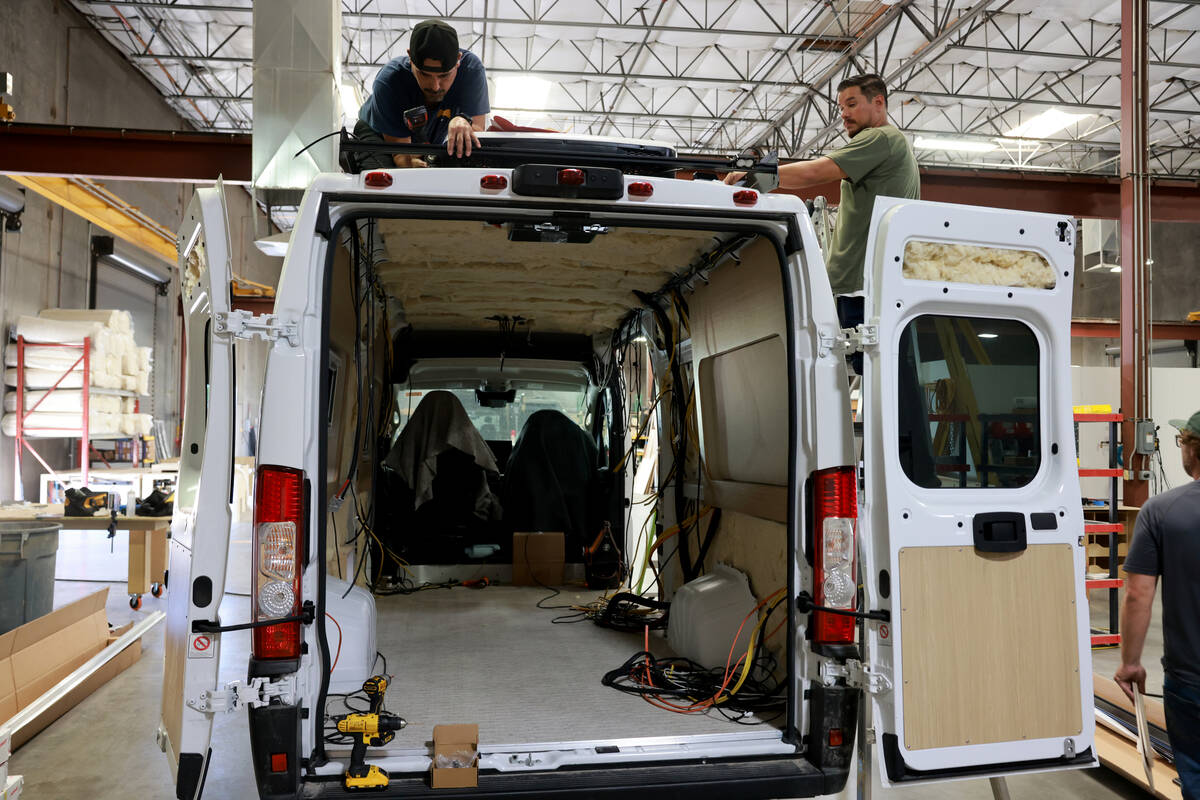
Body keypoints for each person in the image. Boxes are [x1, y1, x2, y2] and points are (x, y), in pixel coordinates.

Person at [725, 74, 920, 373]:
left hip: (863, 285)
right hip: (870, 283)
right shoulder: (896, 145)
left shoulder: (880, 138)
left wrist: (757, 177)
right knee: (878, 375)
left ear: (878, 102)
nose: (843, 114)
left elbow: (817, 172)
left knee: (870, 372)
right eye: (841, 107)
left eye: (852, 104)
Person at [1115, 410, 1200, 799]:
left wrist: (1131, 663)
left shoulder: (1162, 511)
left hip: (1191, 680)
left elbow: (1137, 595)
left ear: (1192, 450)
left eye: (1181, 442)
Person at [354, 19, 489, 168]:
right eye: (424, 75)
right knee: (382, 178)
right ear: (410, 57)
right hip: (379, 136)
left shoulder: (471, 70)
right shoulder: (391, 80)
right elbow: (400, 154)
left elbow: (477, 131)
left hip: (428, 140)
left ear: (458, 59)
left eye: (444, 76)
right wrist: (410, 164)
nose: (435, 86)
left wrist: (463, 121)